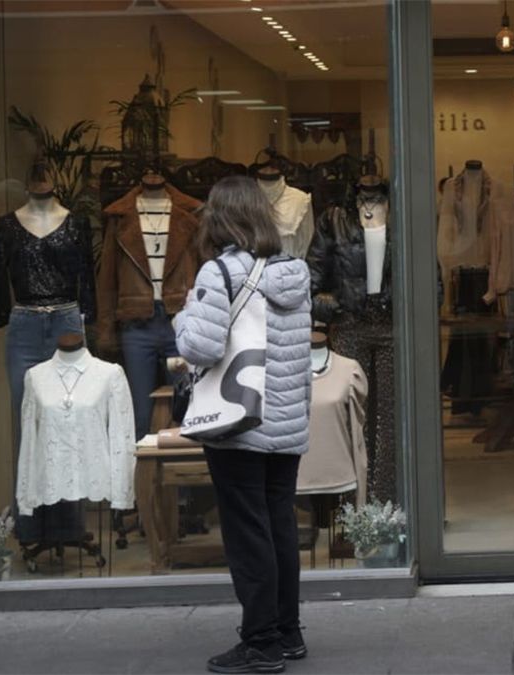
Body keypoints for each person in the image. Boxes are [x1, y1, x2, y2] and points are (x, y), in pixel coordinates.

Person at [176, 175, 312, 674]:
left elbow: (201, 347)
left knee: (247, 531)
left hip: (238, 423)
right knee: (278, 526)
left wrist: (183, 318)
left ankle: (260, 641)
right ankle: (288, 630)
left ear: (220, 217)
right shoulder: (294, 270)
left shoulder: (220, 272)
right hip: (286, 420)